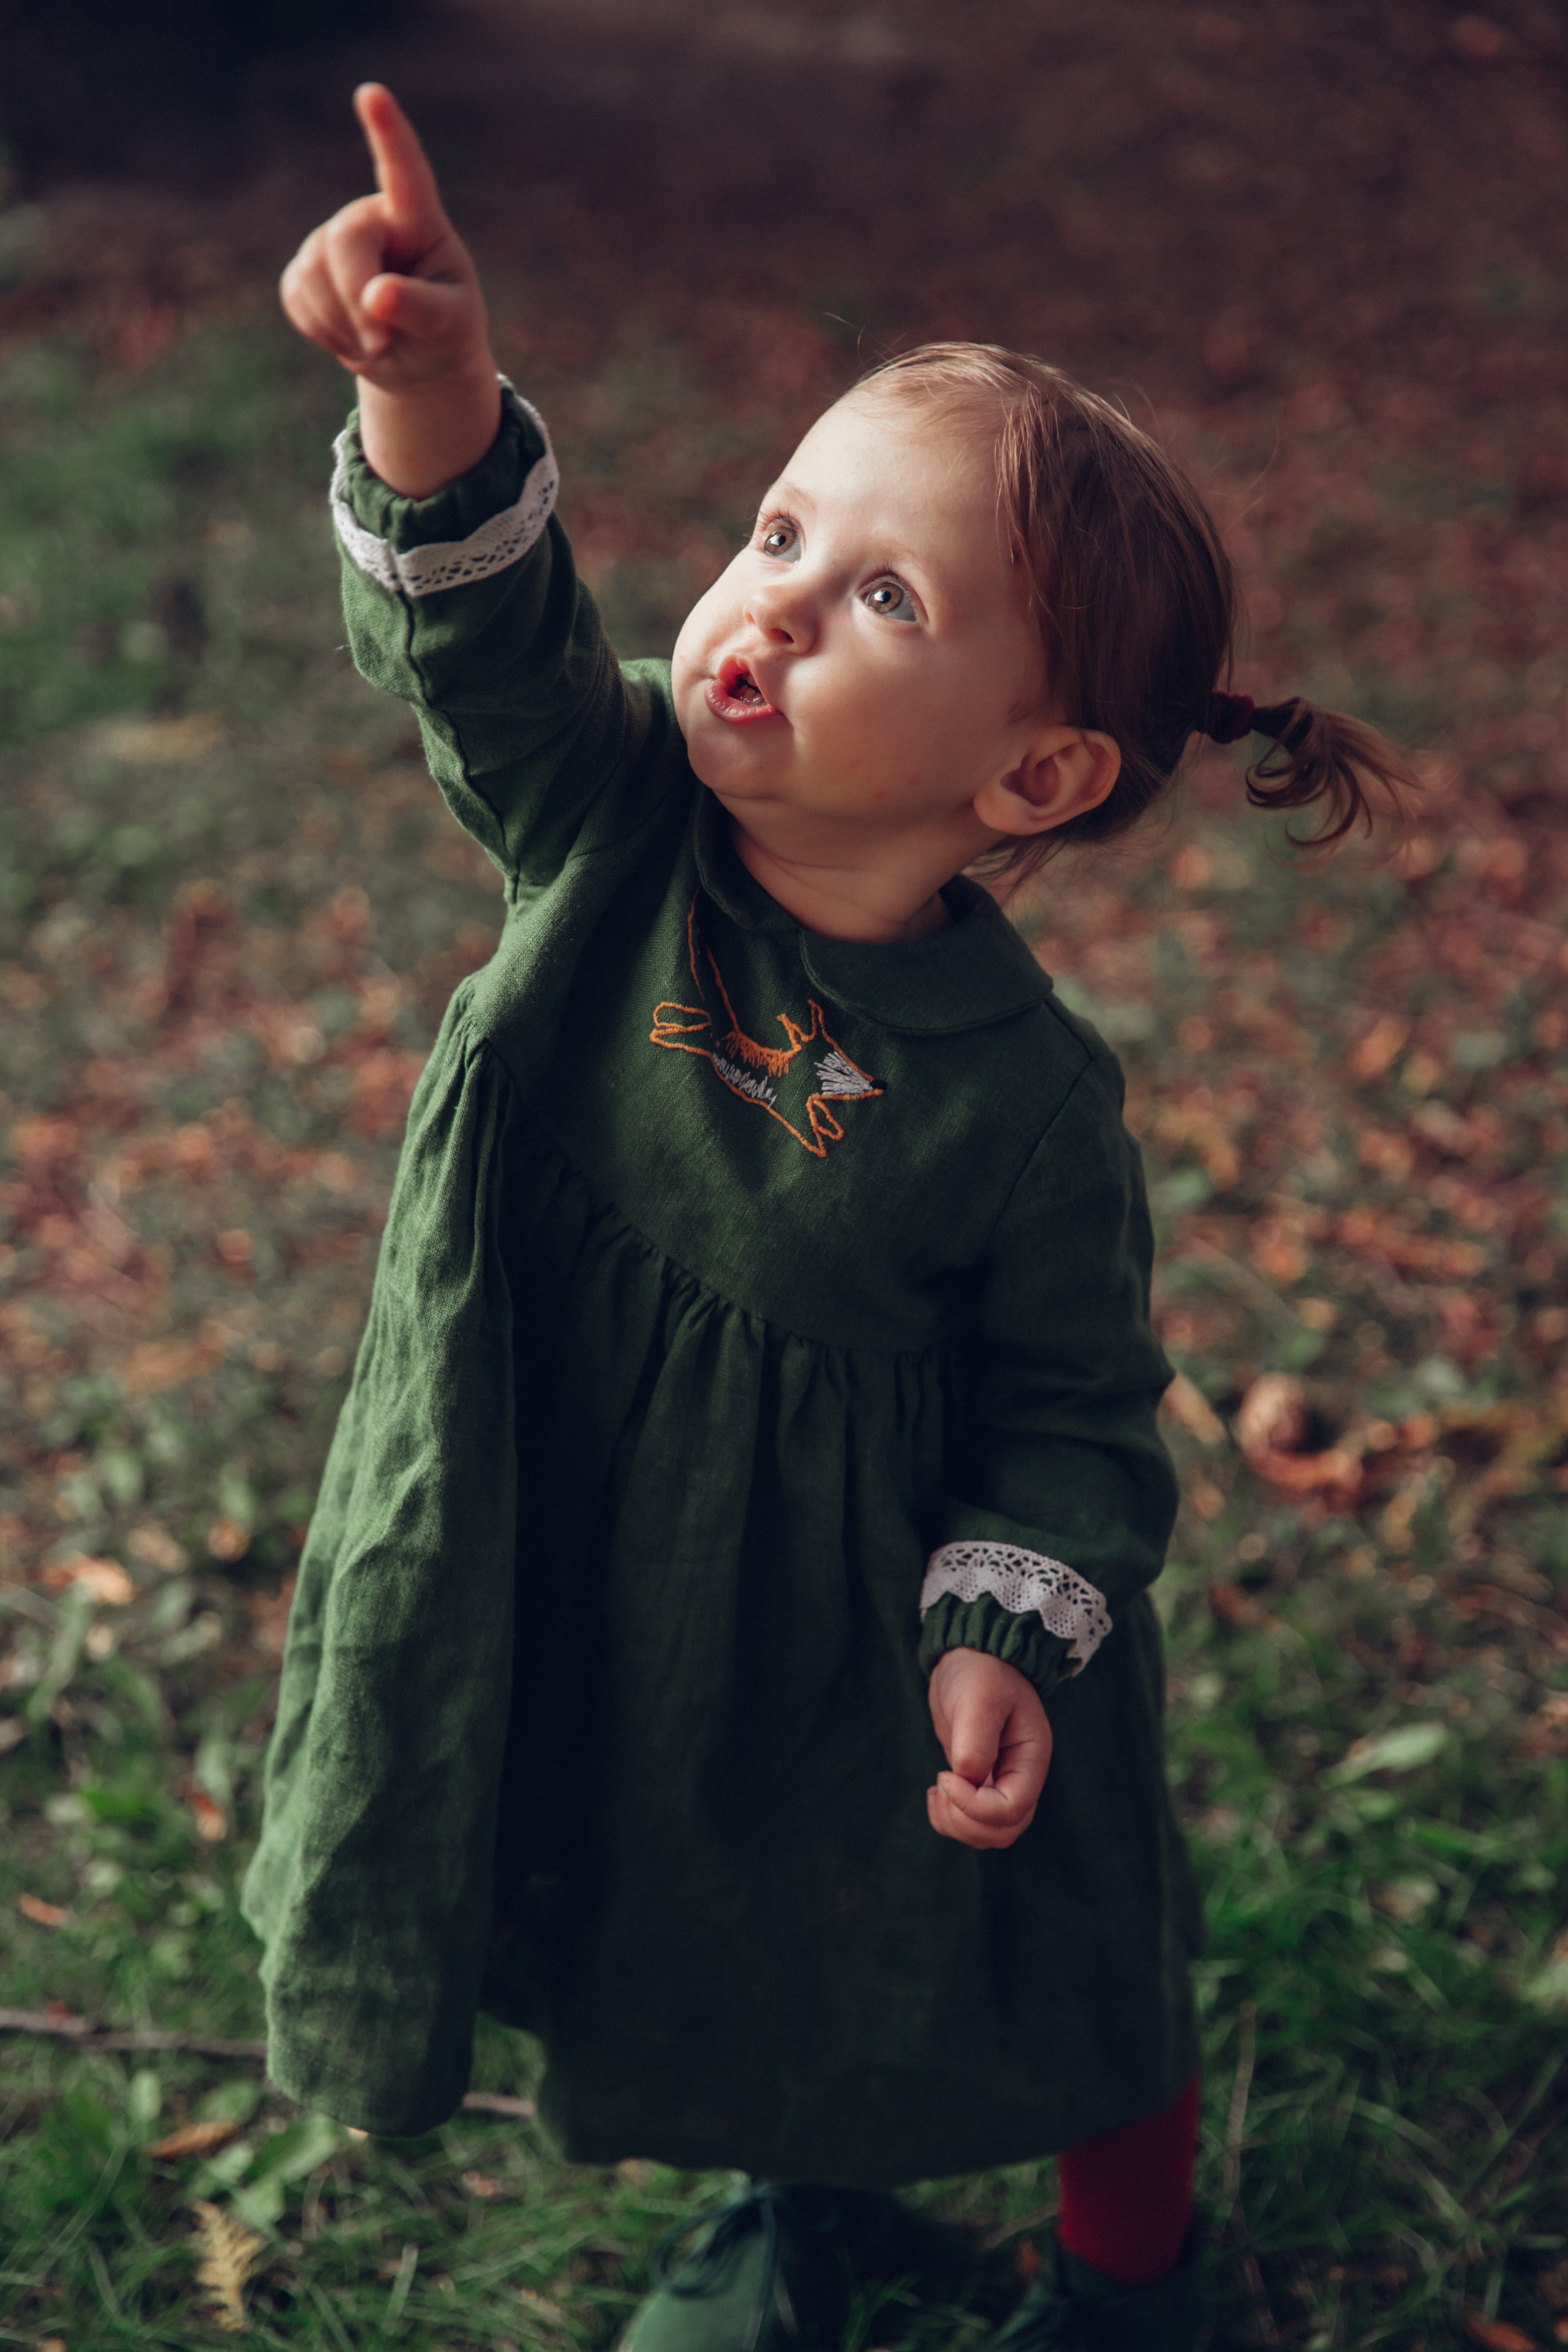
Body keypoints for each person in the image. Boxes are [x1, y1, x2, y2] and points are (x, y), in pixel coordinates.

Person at [241, 84, 1414, 2352]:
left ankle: (1137, 2286)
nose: (767, 603)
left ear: (1035, 776)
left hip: (882, 1630)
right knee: (726, 1891)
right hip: (614, 1548)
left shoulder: (1027, 1105)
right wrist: (423, 386)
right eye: (781, 530)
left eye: (880, 593)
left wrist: (1005, 1622)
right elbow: (482, 652)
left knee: (1055, 1946)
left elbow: (1082, 1417)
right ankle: (810, 2206)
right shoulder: (608, 828)